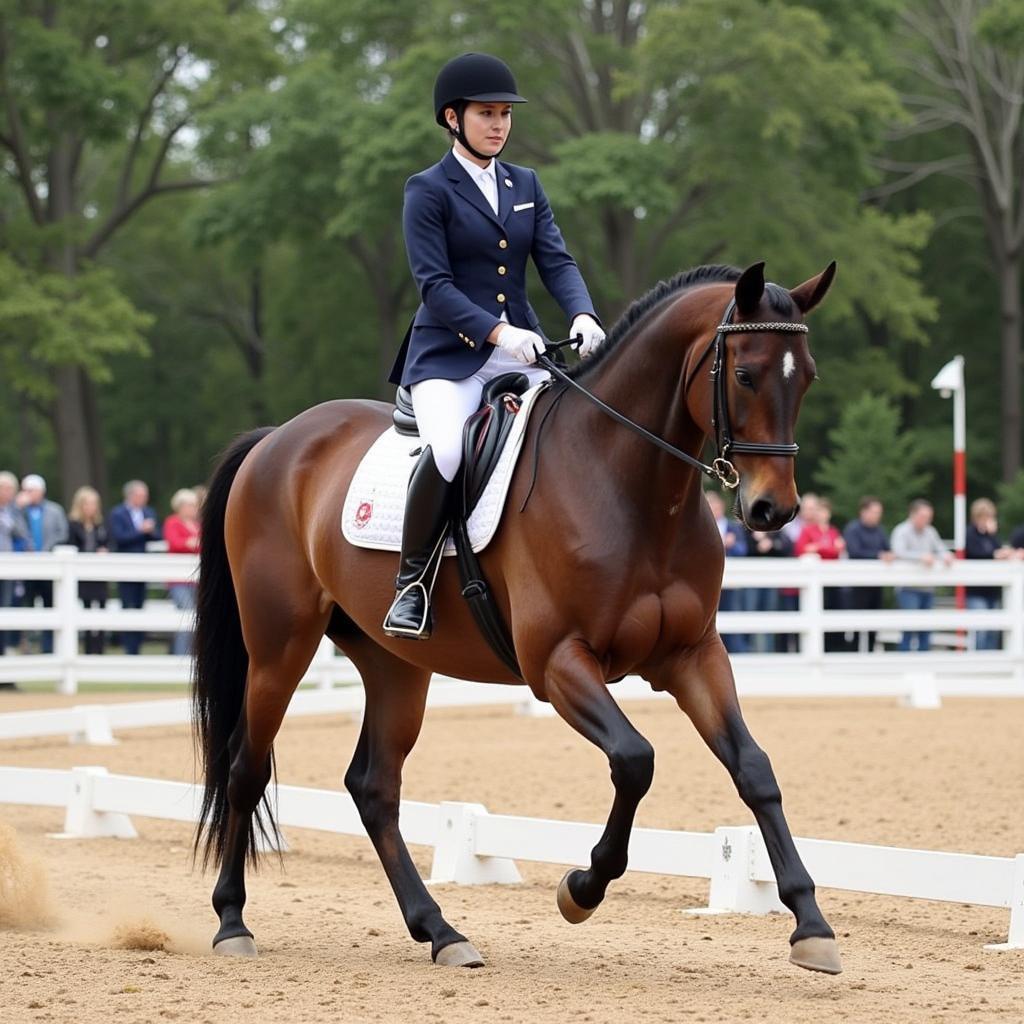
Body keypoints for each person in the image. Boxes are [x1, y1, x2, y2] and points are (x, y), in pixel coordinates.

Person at [383, 52, 605, 639]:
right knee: (451, 452)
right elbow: (434, 285)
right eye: (487, 113)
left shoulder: (525, 183)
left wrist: (582, 314)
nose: (500, 124)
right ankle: (413, 583)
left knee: (577, 432)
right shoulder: (426, 190)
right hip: (447, 358)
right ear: (453, 118)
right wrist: (499, 332)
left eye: (505, 114)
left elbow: (555, 259)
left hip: (523, 352)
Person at [14, 473, 68, 654]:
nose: (28, 494)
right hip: (26, 566)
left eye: (31, 490)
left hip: (49, 566)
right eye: (25, 490)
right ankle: (25, 644)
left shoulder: (55, 510)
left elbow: (61, 533)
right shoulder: (18, 511)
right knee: (26, 606)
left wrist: (46, 550)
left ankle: (49, 646)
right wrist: (16, 507)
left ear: (41, 491)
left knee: (50, 605)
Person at [890, 499, 953, 652]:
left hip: (927, 587)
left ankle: (924, 663)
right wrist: (921, 557)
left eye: (928, 517)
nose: (926, 520)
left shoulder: (930, 532)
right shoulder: (902, 531)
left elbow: (940, 548)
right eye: (923, 516)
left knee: (926, 628)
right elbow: (898, 552)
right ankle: (905, 663)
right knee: (909, 627)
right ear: (913, 514)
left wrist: (947, 556)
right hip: (908, 587)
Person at [108, 479, 160, 655]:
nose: (144, 499)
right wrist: (141, 531)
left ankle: (137, 647)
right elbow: (119, 538)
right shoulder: (118, 513)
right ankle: (128, 648)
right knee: (127, 604)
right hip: (126, 566)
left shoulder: (148, 512)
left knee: (140, 604)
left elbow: (157, 536)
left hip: (143, 566)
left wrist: (150, 531)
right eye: (141, 495)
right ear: (131, 495)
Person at [795, 496, 848, 652]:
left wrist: (819, 547)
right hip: (815, 580)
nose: (821, 515)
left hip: (831, 580)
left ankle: (834, 649)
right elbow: (801, 550)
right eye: (818, 511)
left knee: (834, 613)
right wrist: (828, 548)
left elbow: (837, 551)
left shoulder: (833, 531)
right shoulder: (808, 530)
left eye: (824, 512)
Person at [964, 498, 1017, 651]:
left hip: (992, 590)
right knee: (980, 629)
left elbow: (997, 550)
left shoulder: (991, 536)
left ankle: (990, 661)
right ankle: (977, 662)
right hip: (976, 589)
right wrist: (995, 555)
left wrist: (993, 536)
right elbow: (975, 554)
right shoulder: (970, 534)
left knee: (993, 630)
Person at [843, 496, 894, 652]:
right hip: (858, 584)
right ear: (863, 512)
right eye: (873, 512)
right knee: (856, 623)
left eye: (878, 512)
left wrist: (888, 555)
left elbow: (887, 549)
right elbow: (854, 552)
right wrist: (878, 556)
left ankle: (870, 653)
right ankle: (854, 654)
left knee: (874, 622)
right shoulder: (853, 529)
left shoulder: (879, 530)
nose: (876, 515)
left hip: (875, 583)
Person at [67, 486, 110, 655]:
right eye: (88, 504)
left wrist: (104, 551)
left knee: (101, 606)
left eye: (94, 504)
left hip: (99, 573)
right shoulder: (73, 525)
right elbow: (71, 545)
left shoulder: (100, 525)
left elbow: (108, 543)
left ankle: (99, 648)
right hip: (82, 573)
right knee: (84, 608)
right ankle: (87, 648)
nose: (91, 507)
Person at [705, 490, 750, 654]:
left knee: (733, 613)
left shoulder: (733, 527)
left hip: (731, 579)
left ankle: (736, 651)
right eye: (709, 505)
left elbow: (743, 549)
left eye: (715, 505)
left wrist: (731, 545)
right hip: (708, 581)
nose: (713, 509)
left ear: (721, 506)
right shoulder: (700, 527)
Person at [163, 488, 200, 656]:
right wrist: (189, 543)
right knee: (186, 614)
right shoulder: (172, 522)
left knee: (196, 617)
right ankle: (180, 655)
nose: (193, 508)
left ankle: (192, 654)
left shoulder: (197, 525)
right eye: (190, 505)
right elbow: (174, 543)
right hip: (178, 579)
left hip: (196, 578)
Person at [746, 527, 794, 653]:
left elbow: (787, 547)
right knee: (750, 616)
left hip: (770, 581)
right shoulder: (745, 528)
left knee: (770, 614)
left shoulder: (775, 529)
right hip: (750, 580)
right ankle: (752, 651)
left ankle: (768, 651)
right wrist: (755, 543)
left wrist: (771, 544)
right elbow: (743, 549)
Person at [0, 470, 28, 678]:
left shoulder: (12, 511)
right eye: (5, 488)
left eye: (11, 489)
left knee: (7, 612)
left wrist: (17, 510)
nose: (9, 493)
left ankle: (5, 665)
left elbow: (22, 535)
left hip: (8, 567)